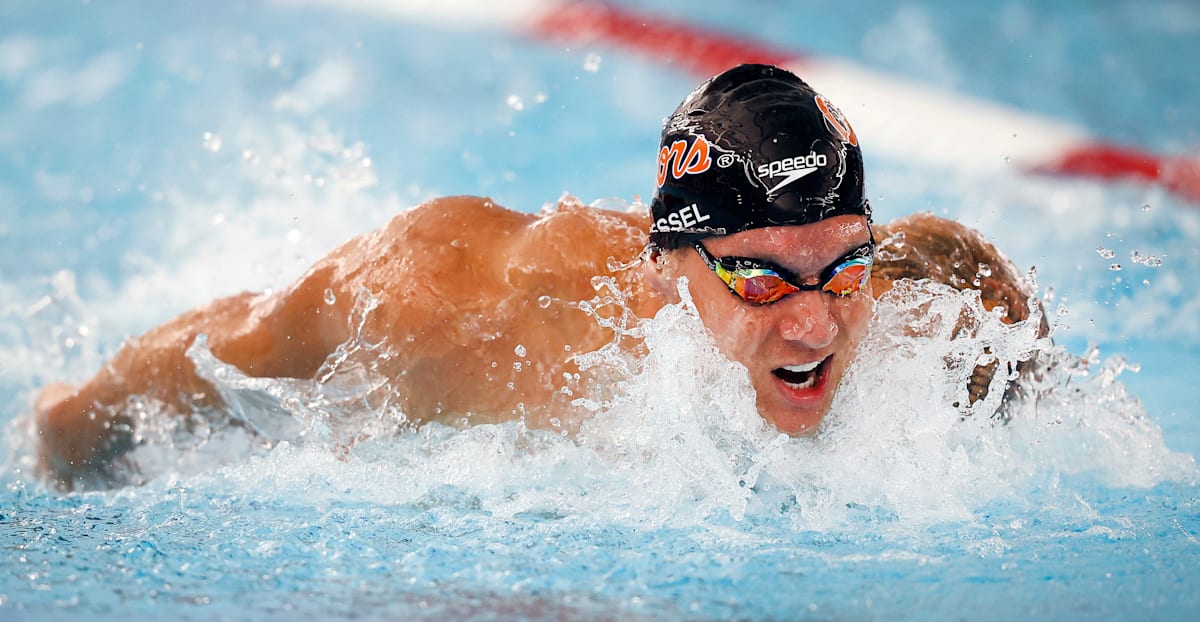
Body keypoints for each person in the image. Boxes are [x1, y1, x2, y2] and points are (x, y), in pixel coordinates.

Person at [33, 64, 1041, 489]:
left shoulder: (928, 320)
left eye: (842, 268)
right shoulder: (458, 308)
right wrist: (68, 434)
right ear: (665, 275)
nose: (817, 326)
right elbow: (216, 353)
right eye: (763, 282)